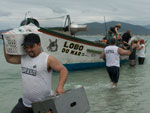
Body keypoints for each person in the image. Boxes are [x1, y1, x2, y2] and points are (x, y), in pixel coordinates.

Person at [3, 33, 68, 113]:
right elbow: (9, 59)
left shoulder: (47, 59)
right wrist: (5, 41)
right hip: (25, 104)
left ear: (39, 44)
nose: (29, 50)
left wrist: (60, 86)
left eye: (31, 47)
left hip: (43, 104)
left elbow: (63, 70)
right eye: (26, 47)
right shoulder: (23, 58)